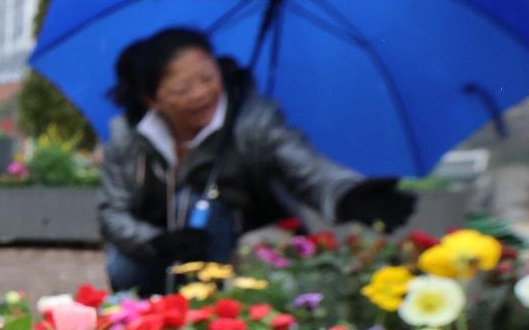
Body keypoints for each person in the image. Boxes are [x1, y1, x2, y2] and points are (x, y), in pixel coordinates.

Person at [98, 27, 416, 295]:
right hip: (159, 252)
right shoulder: (128, 138)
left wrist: (350, 196)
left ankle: (219, 313)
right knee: (123, 265)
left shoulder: (252, 120)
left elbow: (304, 166)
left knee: (204, 205)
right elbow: (112, 213)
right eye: (182, 89)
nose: (200, 94)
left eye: (208, 78)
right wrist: (158, 242)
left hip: (240, 247)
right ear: (152, 100)